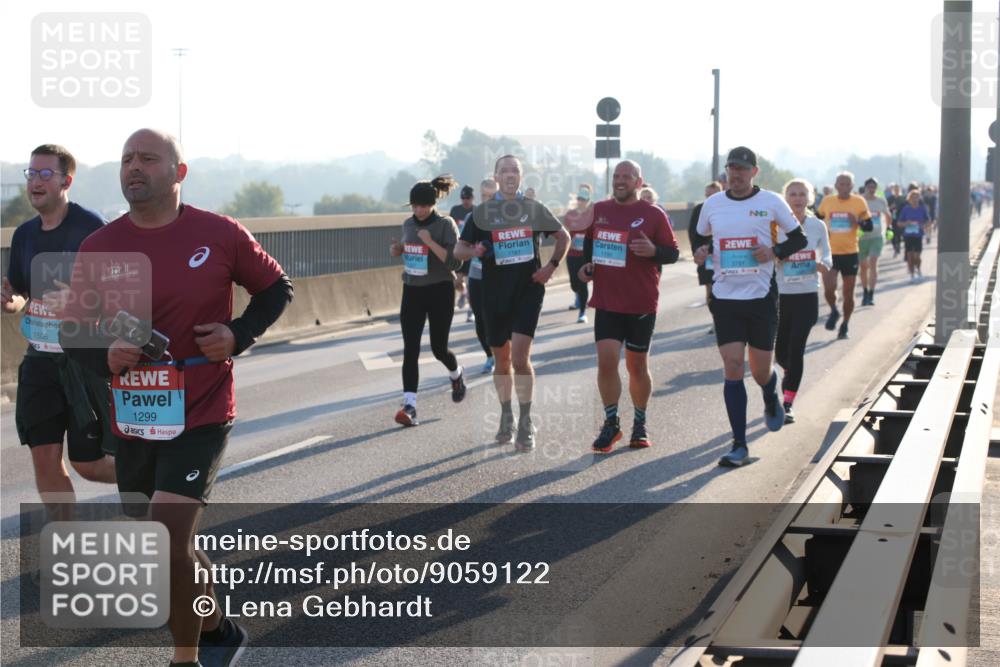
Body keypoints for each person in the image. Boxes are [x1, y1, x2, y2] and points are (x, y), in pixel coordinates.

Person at [60, 128, 293, 667]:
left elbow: (277, 288)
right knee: (164, 550)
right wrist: (105, 355)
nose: (133, 168)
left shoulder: (220, 233)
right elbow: (73, 330)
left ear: (179, 172)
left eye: (147, 158)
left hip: (203, 407)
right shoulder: (99, 246)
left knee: (166, 539)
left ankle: (185, 658)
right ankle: (218, 626)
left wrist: (239, 334)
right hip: (136, 414)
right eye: (126, 160)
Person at [2, 144, 116, 516]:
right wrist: (11, 302)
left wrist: (81, 299)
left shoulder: (91, 228)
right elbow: (22, 293)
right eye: (31, 173)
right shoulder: (25, 235)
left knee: (89, 464)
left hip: (82, 358)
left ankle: (153, 480)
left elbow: (118, 292)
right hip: (39, 360)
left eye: (44, 174)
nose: (35, 181)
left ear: (66, 181)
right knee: (45, 459)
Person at [693, 146, 807, 467]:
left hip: (761, 299)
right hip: (726, 298)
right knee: (732, 366)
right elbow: (700, 234)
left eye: (742, 168)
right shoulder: (712, 205)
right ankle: (739, 445)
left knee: (759, 372)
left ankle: (771, 396)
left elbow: (798, 239)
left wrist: (773, 251)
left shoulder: (770, 202)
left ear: (754, 172)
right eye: (731, 168)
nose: (736, 173)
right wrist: (701, 252)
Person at [455, 155, 570, 452]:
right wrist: (474, 251)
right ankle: (506, 416)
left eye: (514, 170)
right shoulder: (482, 213)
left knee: (520, 359)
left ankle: (526, 421)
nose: (509, 175)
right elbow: (458, 249)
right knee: (502, 361)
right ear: (495, 176)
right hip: (493, 293)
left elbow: (564, 237)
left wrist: (551, 267)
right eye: (504, 170)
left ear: (521, 176)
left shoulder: (532, 208)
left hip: (528, 291)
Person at [577, 160, 679, 452]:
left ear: (638, 181)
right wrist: (586, 269)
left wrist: (653, 251)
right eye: (617, 176)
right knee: (606, 362)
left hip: (641, 302)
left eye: (627, 177)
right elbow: (590, 247)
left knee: (637, 366)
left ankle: (640, 422)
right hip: (608, 301)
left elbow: (672, 253)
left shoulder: (653, 214)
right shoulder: (599, 210)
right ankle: (611, 424)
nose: (620, 181)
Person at [389, 175, 467, 426]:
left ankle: (456, 374)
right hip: (412, 290)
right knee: (410, 349)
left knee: (438, 348)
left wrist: (430, 242)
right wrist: (398, 250)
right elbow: (408, 248)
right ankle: (409, 407)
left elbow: (455, 262)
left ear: (433, 204)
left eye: (423, 206)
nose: (418, 210)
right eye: (414, 206)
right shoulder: (408, 224)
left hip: (440, 290)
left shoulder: (446, 225)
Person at [775, 179, 832, 424]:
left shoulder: (818, 226)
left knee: (797, 348)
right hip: (781, 295)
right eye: (792, 194)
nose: (797, 198)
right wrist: (778, 259)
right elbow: (766, 254)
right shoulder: (775, 227)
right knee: (780, 353)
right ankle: (789, 372)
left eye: (801, 194)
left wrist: (823, 265)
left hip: (807, 295)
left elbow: (828, 255)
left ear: (809, 198)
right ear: (785, 198)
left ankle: (788, 402)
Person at [816, 171, 873, 340]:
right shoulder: (827, 201)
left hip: (850, 252)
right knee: (829, 287)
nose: (844, 187)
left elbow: (868, 226)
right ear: (835, 186)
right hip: (830, 252)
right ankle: (834, 310)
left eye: (848, 184)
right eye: (841, 183)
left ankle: (845, 324)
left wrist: (857, 221)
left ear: (852, 186)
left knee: (848, 292)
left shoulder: (859, 202)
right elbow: (817, 221)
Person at [466, 179, 498, 374]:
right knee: (480, 319)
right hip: (477, 276)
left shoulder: (506, 217)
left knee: (498, 317)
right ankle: (489, 355)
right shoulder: (473, 217)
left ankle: (504, 353)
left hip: (500, 277)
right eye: (483, 196)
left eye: (491, 196)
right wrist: (473, 251)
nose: (486, 200)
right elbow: (461, 248)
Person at [688, 181, 723, 334]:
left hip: (727, 257)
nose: (710, 198)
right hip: (707, 257)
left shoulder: (728, 207)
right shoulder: (699, 210)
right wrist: (697, 252)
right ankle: (716, 319)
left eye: (713, 195)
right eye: (707, 195)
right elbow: (693, 234)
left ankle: (726, 318)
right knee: (710, 288)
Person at [563, 184, 594, 323]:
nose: (582, 201)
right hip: (572, 254)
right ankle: (578, 296)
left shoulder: (593, 214)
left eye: (584, 198)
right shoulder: (570, 214)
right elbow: (564, 234)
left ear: (588, 200)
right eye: (580, 198)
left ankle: (582, 312)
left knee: (583, 284)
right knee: (574, 284)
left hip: (585, 255)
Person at [859, 177, 889, 306]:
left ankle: (871, 293)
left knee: (873, 262)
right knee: (863, 267)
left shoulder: (880, 201)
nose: (871, 189)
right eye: (869, 187)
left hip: (876, 237)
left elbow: (888, 215)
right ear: (865, 187)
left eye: (874, 187)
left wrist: (889, 228)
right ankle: (865, 291)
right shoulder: (859, 201)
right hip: (862, 238)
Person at [449, 185, 476, 319]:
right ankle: (463, 293)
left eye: (468, 198)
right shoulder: (455, 210)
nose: (465, 201)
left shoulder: (476, 211)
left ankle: (471, 311)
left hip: (471, 251)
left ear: (472, 198)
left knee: (471, 283)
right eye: (463, 198)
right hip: (459, 250)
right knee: (457, 282)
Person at [898, 188, 931, 282]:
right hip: (908, 235)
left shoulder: (922, 208)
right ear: (909, 199)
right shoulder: (906, 209)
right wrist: (906, 223)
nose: (915, 199)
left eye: (917, 197)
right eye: (913, 197)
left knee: (917, 256)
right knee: (910, 255)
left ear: (919, 198)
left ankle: (918, 269)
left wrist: (923, 225)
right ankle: (912, 274)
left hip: (918, 234)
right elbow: (899, 223)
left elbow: (928, 220)